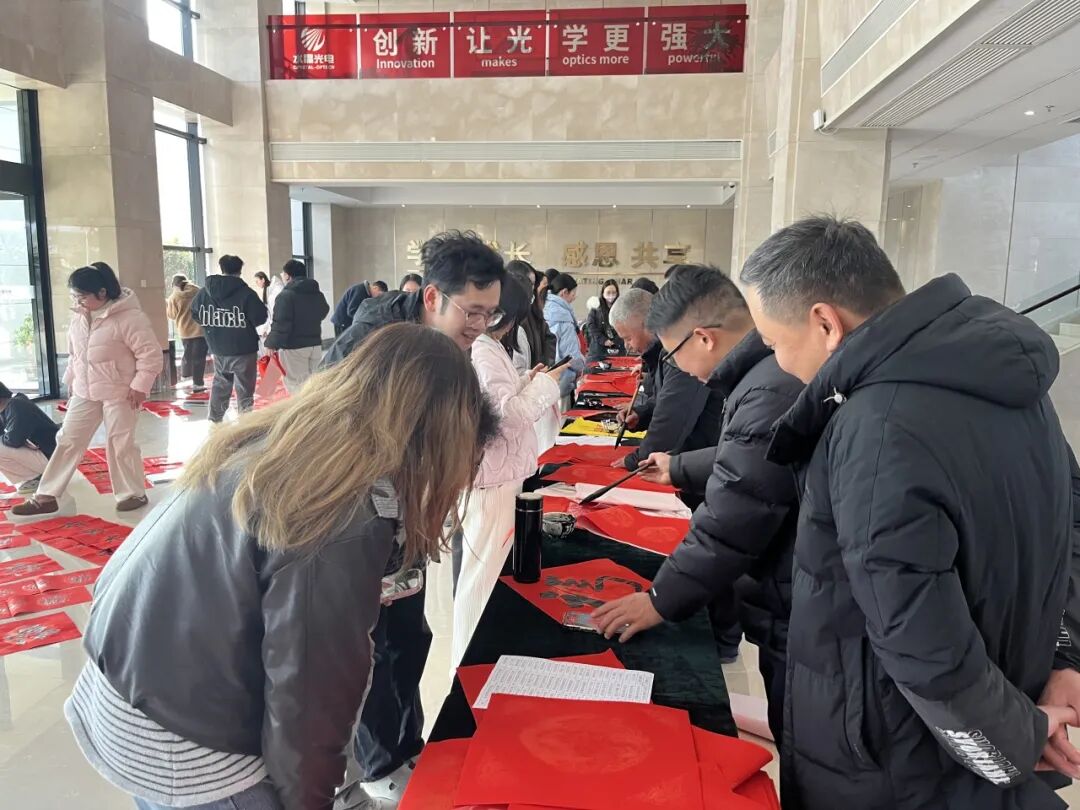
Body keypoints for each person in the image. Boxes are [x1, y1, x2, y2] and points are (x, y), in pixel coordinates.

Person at [65, 323, 499, 810]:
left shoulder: (292, 438)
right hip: (182, 742)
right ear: (431, 441)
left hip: (123, 685)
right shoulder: (343, 511)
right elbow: (309, 698)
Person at [740, 215, 1080, 810]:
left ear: (825, 323)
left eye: (774, 345)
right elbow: (1064, 533)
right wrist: (1064, 659)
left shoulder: (877, 424)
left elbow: (916, 631)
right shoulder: (1008, 382)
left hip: (893, 752)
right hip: (997, 699)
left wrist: (1009, 740)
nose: (780, 364)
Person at [321, 231, 504, 807]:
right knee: (376, 645)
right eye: (472, 311)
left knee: (411, 634)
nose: (480, 326)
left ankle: (404, 748)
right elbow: (341, 436)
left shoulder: (446, 341)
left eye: (490, 314)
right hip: (359, 516)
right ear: (432, 297)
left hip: (404, 509)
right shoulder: (375, 344)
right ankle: (377, 766)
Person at [591, 266, 802, 746]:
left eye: (674, 355)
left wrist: (660, 599)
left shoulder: (769, 385)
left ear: (703, 338)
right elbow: (747, 455)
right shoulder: (763, 374)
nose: (679, 371)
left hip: (796, 600)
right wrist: (679, 467)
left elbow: (731, 518)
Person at [453, 278, 562, 667]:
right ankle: (466, 667)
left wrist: (527, 381)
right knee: (480, 581)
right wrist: (546, 386)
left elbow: (499, 400)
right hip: (492, 479)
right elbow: (505, 418)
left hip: (500, 474)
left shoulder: (489, 347)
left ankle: (476, 661)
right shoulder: (483, 349)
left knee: (486, 575)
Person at [13, 263, 162, 517]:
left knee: (120, 443)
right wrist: (71, 382)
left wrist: (140, 386)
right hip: (85, 391)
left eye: (81, 296)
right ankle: (46, 496)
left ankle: (132, 493)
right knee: (67, 439)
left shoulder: (130, 318)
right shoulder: (80, 316)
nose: (77, 302)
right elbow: (76, 355)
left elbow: (150, 355)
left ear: (102, 292)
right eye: (74, 296)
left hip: (120, 391)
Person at [608, 286, 724, 474]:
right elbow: (665, 396)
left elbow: (672, 417)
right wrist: (642, 414)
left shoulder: (683, 348)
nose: (627, 346)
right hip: (693, 456)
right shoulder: (665, 349)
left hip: (703, 460)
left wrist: (638, 460)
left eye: (628, 338)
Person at [192, 255, 268, 425]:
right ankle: (245, 420)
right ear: (240, 271)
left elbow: (195, 313)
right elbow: (260, 317)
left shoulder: (204, 292)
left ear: (222, 268)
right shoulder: (246, 293)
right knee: (245, 386)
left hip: (218, 347)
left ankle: (215, 420)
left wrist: (214, 326)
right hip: (244, 347)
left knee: (221, 383)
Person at [265, 259, 330, 394]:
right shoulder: (316, 293)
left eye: (283, 274)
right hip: (315, 344)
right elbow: (324, 310)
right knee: (313, 383)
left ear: (288, 276)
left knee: (296, 386)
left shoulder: (286, 295)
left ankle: (304, 408)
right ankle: (315, 406)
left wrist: (271, 343)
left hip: (294, 347)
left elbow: (280, 323)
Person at [0, 381, 59, 496]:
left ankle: (38, 477)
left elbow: (14, 440)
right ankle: (34, 477)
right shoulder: (6, 408)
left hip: (54, 458)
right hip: (45, 454)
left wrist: (5, 438)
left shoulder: (16, 406)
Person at [543, 273, 585, 399]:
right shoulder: (563, 318)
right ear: (564, 292)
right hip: (561, 379)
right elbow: (571, 355)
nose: (574, 298)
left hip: (543, 377)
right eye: (573, 294)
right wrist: (584, 365)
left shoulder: (543, 308)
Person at [165, 274, 207, 393]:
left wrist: (167, 304)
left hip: (185, 331)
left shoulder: (174, 297)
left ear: (174, 285)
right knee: (199, 357)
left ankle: (186, 377)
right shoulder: (199, 291)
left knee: (187, 354)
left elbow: (172, 315)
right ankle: (198, 383)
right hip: (200, 330)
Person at [585, 279, 625, 362]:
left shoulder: (621, 307)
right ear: (603, 293)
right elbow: (590, 326)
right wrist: (603, 340)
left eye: (613, 292)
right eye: (608, 292)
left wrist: (615, 341)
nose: (611, 295)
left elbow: (626, 326)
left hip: (617, 349)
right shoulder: (596, 306)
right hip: (598, 350)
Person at [253, 271, 283, 350]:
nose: (256, 283)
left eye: (257, 281)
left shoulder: (273, 293)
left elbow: (272, 313)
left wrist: (267, 329)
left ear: (263, 279)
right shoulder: (268, 290)